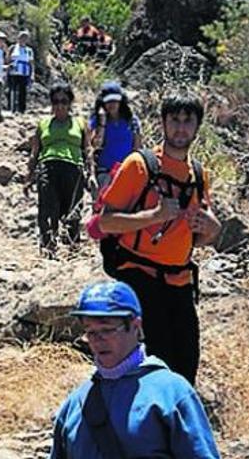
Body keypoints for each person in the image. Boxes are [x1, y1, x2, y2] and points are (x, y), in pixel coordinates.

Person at [97, 91, 221, 384]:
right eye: (174, 120)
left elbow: (197, 238)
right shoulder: (140, 165)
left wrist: (212, 228)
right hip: (138, 273)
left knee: (187, 363)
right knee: (158, 359)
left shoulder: (199, 175)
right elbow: (106, 222)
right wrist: (152, 216)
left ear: (197, 127)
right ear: (163, 123)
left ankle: (172, 423)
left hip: (179, 280)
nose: (180, 128)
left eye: (187, 121)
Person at [50, 281, 221, 458]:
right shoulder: (76, 403)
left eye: (107, 330)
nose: (97, 340)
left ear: (135, 326)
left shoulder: (171, 392)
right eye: (90, 332)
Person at [26, 81, 93, 258]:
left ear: (70, 103)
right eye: (56, 102)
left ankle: (73, 248)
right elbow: (35, 152)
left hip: (73, 168)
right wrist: (28, 177)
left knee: (73, 209)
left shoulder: (80, 123)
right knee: (48, 208)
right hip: (48, 166)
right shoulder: (43, 124)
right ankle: (48, 247)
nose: (60, 106)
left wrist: (91, 172)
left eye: (64, 101)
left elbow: (87, 148)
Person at [88, 81, 141, 198]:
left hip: (126, 172)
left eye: (115, 101)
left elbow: (137, 148)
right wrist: (102, 122)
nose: (111, 104)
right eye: (108, 101)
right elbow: (95, 145)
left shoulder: (131, 121)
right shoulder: (97, 120)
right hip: (105, 171)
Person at [7, 30, 34, 114]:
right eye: (22, 37)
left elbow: (31, 63)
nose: (23, 39)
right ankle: (12, 109)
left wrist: (32, 74)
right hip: (13, 72)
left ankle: (22, 110)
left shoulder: (29, 50)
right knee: (12, 90)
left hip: (24, 73)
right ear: (18, 38)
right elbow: (7, 59)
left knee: (23, 91)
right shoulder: (13, 48)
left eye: (25, 38)